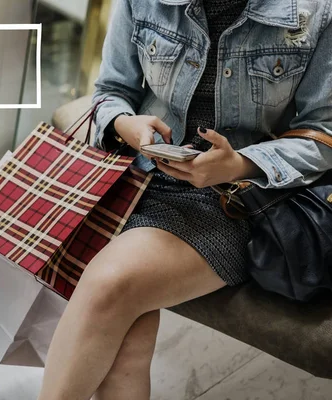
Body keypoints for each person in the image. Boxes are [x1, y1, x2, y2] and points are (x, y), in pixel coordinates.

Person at [37, 0, 332, 399]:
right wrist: (127, 124)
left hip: (235, 203)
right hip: (135, 179)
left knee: (110, 286)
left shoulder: (315, 10)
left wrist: (240, 163)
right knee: (128, 345)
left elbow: (323, 135)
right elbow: (110, 91)